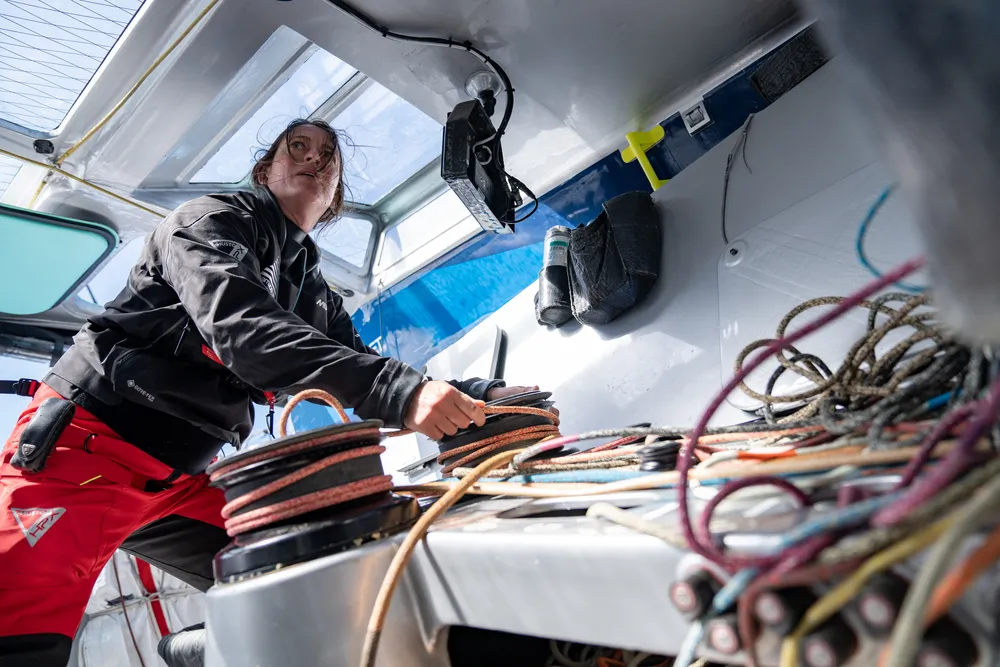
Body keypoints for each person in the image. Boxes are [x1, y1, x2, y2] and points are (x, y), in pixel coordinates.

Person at [0, 118, 539, 666]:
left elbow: (368, 368)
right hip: (88, 452)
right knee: (17, 641)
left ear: (334, 198)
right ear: (265, 170)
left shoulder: (315, 293)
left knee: (323, 574)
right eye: (298, 147)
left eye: (329, 156)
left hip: (180, 482)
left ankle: (204, 652)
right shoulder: (209, 222)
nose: (315, 159)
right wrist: (398, 391)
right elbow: (244, 332)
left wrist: (472, 393)